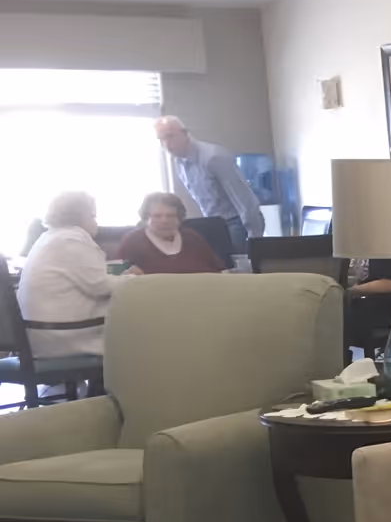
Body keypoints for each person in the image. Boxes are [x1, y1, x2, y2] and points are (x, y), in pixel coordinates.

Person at [17, 191, 139, 359]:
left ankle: (101, 385)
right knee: (148, 333)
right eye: (93, 216)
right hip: (66, 335)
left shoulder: (49, 238)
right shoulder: (73, 239)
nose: (96, 222)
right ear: (80, 216)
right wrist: (134, 279)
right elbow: (101, 287)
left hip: (43, 334)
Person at [154, 116, 263, 256]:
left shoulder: (214, 157)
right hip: (214, 224)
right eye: (161, 139)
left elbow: (245, 199)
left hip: (238, 224)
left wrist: (255, 240)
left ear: (185, 133)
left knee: (239, 274)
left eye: (170, 137)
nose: (166, 144)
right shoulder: (179, 163)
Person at [115, 192, 226, 276]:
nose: (165, 221)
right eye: (157, 216)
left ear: (179, 218)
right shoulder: (132, 241)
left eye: (170, 216)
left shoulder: (192, 238)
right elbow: (116, 277)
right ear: (146, 218)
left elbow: (218, 272)